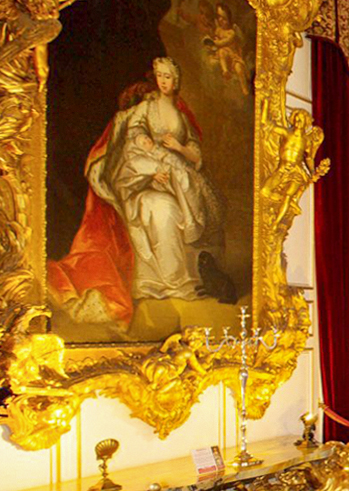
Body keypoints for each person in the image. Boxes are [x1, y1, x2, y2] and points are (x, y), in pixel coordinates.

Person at [49, 57, 221, 326]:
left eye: (168, 77)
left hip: (174, 178)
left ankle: (179, 281)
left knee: (173, 207)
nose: (163, 82)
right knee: (159, 208)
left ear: (175, 82)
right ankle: (155, 283)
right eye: (159, 76)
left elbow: (194, 155)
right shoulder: (136, 121)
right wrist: (151, 173)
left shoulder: (179, 117)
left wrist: (178, 149)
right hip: (140, 188)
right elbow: (125, 159)